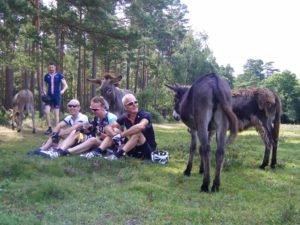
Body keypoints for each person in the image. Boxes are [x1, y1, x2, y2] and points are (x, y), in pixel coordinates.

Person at [39, 96, 117, 159]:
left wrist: (98, 133)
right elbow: (88, 129)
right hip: (94, 140)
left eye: (95, 109)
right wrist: (85, 129)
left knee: (92, 139)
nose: (93, 111)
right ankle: (58, 150)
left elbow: (115, 139)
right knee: (76, 133)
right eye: (91, 109)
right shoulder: (96, 118)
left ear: (103, 107)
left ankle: (65, 152)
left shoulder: (111, 118)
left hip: (105, 145)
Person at [106, 93, 157, 160]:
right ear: (125, 107)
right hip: (133, 149)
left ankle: (117, 155)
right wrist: (115, 135)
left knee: (138, 133)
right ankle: (98, 150)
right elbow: (107, 127)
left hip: (148, 151)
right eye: (130, 104)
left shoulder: (145, 115)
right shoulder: (125, 117)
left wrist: (121, 135)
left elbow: (140, 127)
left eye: (135, 102)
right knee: (115, 130)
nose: (134, 105)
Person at [43, 62, 68, 135]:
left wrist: (63, 90)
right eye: (49, 67)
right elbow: (44, 86)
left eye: (52, 67)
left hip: (57, 96)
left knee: (55, 114)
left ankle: (56, 130)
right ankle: (49, 128)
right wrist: (44, 92)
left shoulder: (59, 76)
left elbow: (66, 85)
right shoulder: (46, 76)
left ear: (55, 67)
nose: (51, 69)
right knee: (47, 112)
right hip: (49, 97)